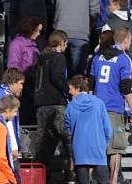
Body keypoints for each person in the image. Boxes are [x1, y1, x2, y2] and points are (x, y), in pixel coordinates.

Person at [88, 27, 132, 184]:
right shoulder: (124, 59)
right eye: (130, 40)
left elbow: (90, 84)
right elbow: (126, 87)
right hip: (114, 109)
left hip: (96, 108)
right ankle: (113, 181)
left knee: (95, 148)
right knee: (115, 149)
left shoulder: (97, 58)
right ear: (125, 40)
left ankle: (88, 180)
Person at [33, 31, 74, 181]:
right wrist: (68, 90)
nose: (66, 46)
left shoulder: (41, 58)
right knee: (68, 140)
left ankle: (40, 176)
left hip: (40, 104)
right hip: (56, 104)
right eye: (66, 43)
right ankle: (71, 174)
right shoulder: (58, 58)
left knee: (44, 143)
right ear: (61, 42)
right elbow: (57, 77)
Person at [53, 0, 99, 75]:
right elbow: (94, 13)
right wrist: (88, 27)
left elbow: (53, 8)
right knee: (77, 72)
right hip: (81, 34)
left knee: (60, 70)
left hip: (60, 32)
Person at [101, 0, 132, 114]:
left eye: (110, 4)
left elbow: (103, 49)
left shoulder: (109, 25)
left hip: (115, 73)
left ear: (116, 5)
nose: (108, 7)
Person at [65, 75, 111, 184]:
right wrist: (105, 143)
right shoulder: (99, 103)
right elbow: (107, 128)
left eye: (70, 89)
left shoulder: (70, 107)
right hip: (98, 148)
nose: (69, 92)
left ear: (78, 88)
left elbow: (68, 130)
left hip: (80, 149)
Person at [6, 17, 41, 126]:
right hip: (22, 81)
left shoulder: (33, 44)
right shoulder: (17, 44)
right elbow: (13, 64)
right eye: (37, 31)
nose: (39, 34)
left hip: (32, 81)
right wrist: (17, 84)